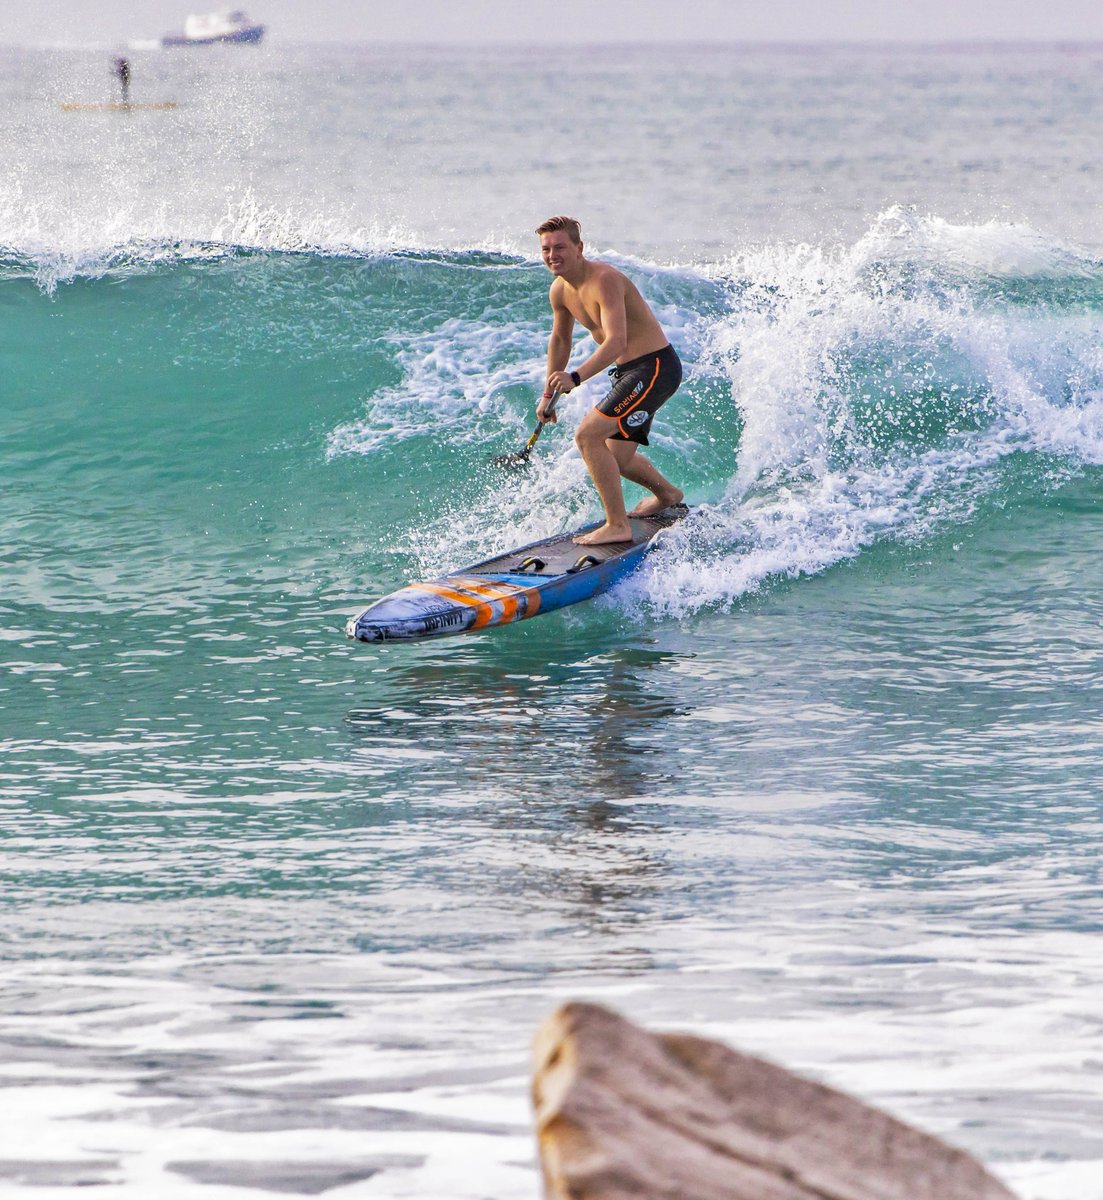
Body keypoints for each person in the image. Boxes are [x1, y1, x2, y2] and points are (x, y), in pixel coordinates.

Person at [535, 215, 684, 546]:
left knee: (588, 437)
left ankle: (617, 525)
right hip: (631, 373)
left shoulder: (605, 280)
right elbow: (560, 340)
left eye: (559, 247)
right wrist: (548, 393)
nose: (551, 255)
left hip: (654, 367)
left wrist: (576, 377)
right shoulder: (559, 291)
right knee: (616, 458)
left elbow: (616, 341)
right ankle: (667, 494)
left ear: (579, 248)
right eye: (545, 249)